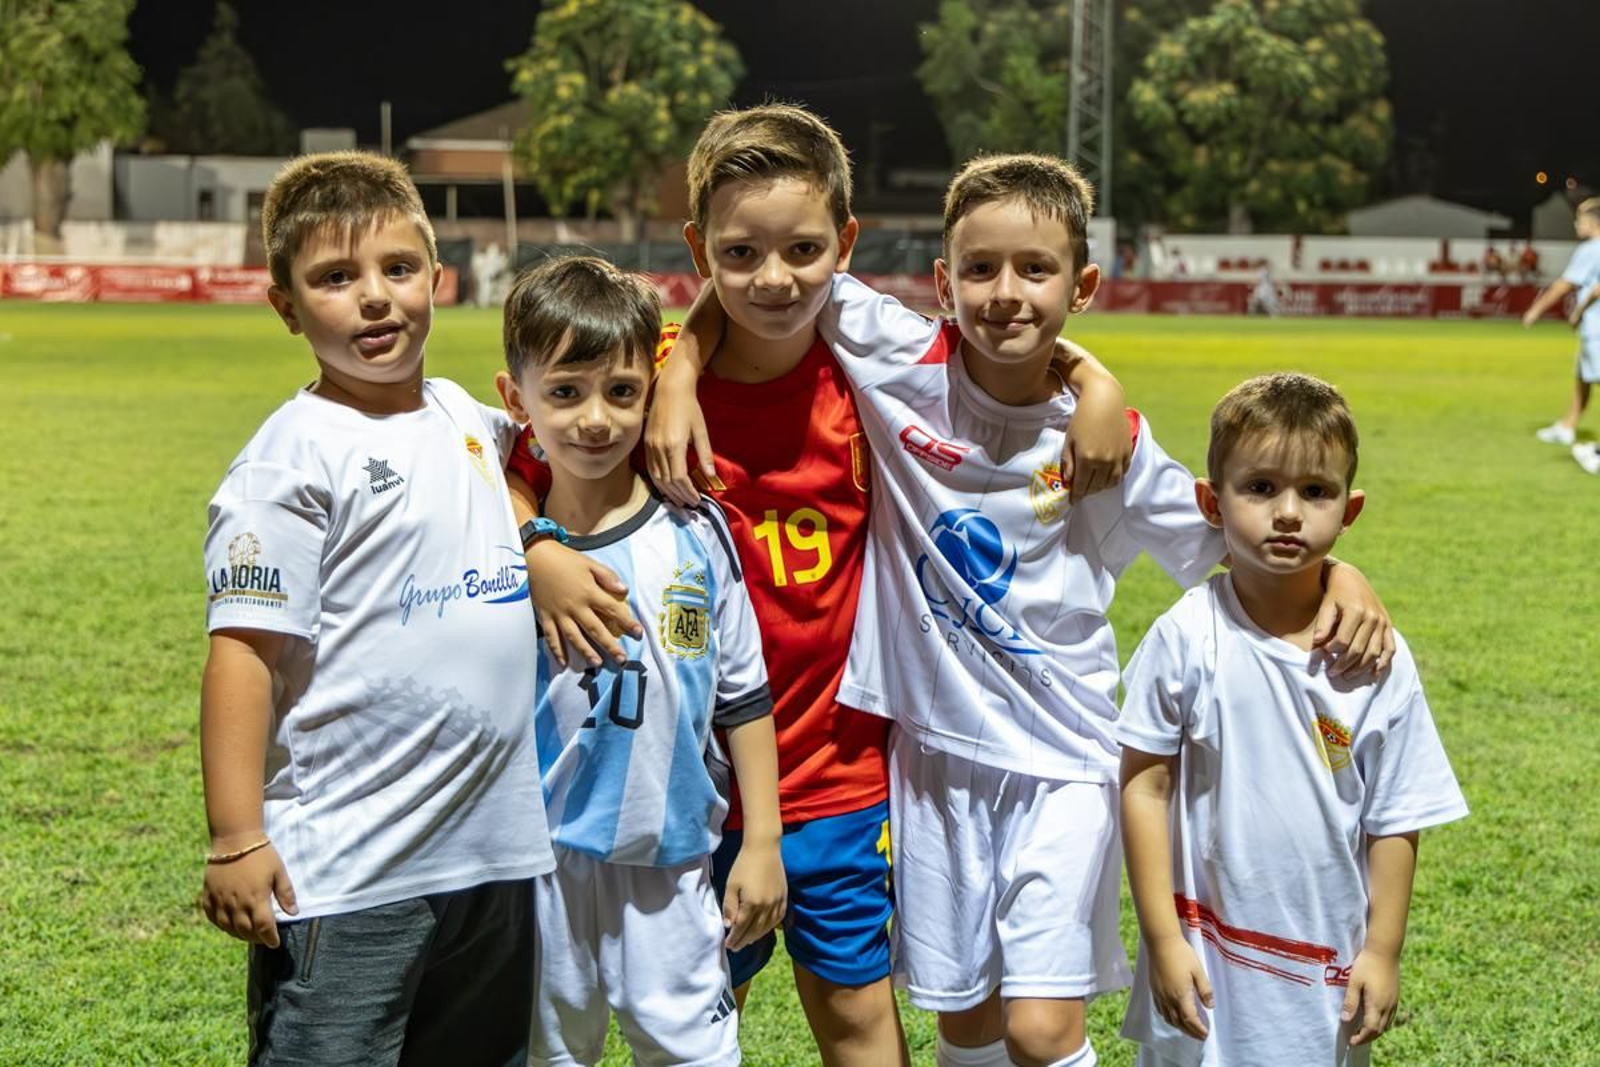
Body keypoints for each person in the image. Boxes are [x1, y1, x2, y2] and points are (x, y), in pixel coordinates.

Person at [663, 150, 1395, 1067]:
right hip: (929, 761)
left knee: (1042, 1029)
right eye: (979, 269)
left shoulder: (1108, 446)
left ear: (1080, 284)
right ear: (942, 283)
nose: (1005, 293)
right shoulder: (900, 357)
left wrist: (1342, 576)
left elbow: (1232, 537)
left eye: (1036, 269)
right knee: (964, 1024)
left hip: (1062, 761)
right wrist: (683, 365)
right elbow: (756, 269)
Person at [643, 105, 1131, 1067]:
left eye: (804, 250)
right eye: (739, 252)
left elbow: (1006, 349)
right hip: (682, 784)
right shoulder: (647, 384)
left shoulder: (875, 368)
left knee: (862, 1024)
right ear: (700, 248)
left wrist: (1097, 378)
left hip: (840, 776)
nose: (775, 276)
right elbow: (532, 456)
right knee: (683, 1034)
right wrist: (677, 366)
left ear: (845, 248)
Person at [198, 151, 553, 1066]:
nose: (373, 298)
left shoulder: (466, 416)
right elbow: (244, 652)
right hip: (354, 868)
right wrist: (237, 839)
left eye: (397, 269)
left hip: (493, 858)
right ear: (284, 307)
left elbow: (535, 458)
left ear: (438, 280)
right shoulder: (291, 461)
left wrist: (538, 542)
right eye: (333, 277)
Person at [1118, 373, 1468, 1067]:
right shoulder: (1187, 635)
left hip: (1323, 980)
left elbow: (1395, 815)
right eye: (1260, 487)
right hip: (1203, 964)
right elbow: (1142, 785)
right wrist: (1161, 937)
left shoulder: (1373, 659)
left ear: (1350, 508)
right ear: (1210, 503)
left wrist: (1382, 948)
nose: (1287, 511)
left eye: (1315, 491)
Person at [493, 256, 784, 1066]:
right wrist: (529, 543)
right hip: (539, 866)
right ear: (516, 401)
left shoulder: (697, 534)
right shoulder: (491, 547)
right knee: (552, 1053)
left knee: (691, 1053)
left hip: (671, 857)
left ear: (651, 392)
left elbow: (744, 699)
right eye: (564, 391)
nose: (595, 418)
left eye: (621, 391)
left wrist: (762, 841)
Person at [1526, 198, 1600, 447]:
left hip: (1597, 326)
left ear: (1592, 222)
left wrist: (1536, 309)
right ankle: (1568, 425)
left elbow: (1565, 284)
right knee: (1582, 376)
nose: (1576, 224)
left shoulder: (1591, 249)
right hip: (1592, 324)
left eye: (1580, 219)